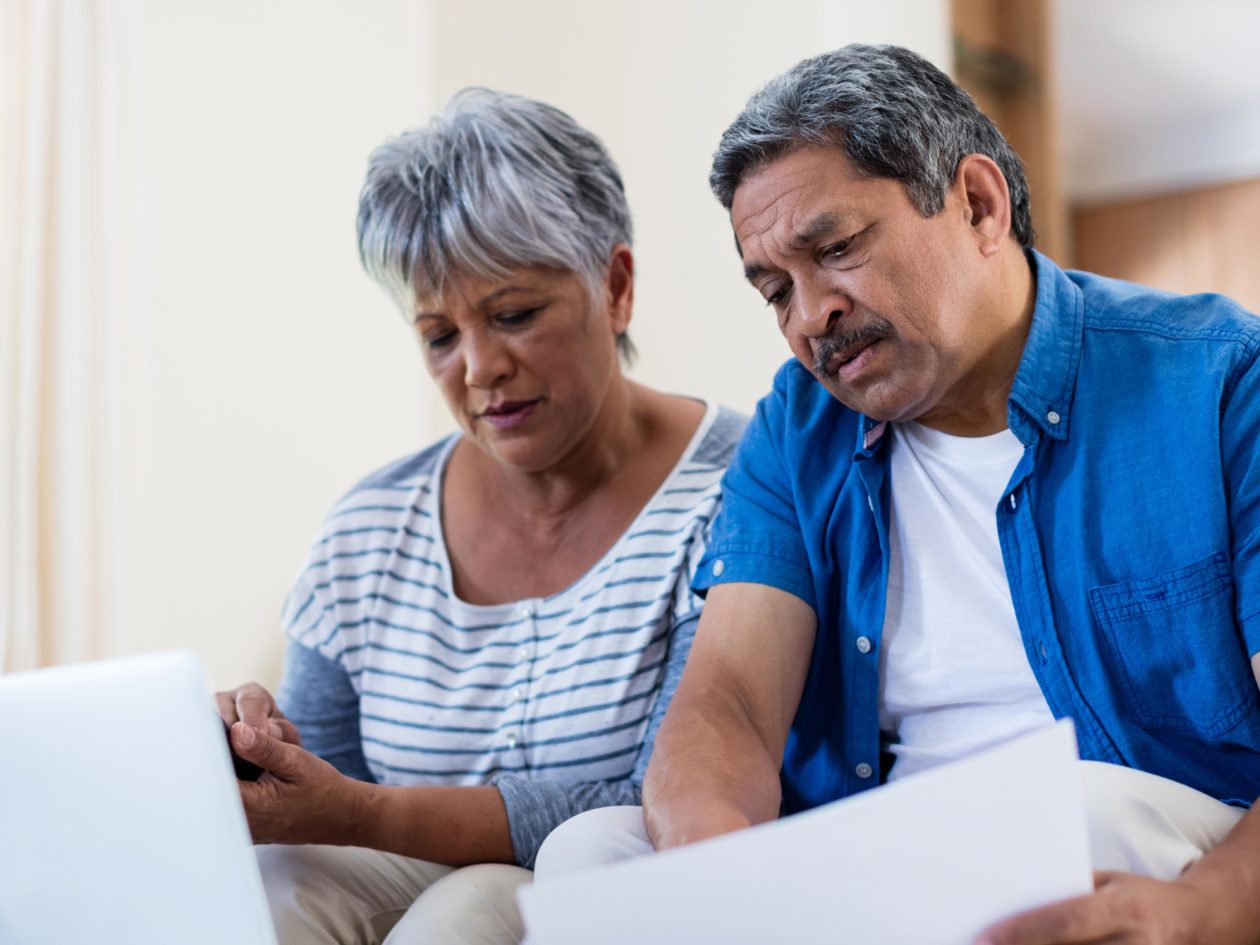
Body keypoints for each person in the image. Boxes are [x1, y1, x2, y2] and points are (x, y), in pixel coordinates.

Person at [536, 44, 1260, 943]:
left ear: (979, 204)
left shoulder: (1221, 383)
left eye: (835, 249)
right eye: (774, 290)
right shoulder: (799, 426)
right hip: (886, 844)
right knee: (589, 854)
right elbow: (725, 702)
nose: (809, 317)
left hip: (1142, 838)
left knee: (1078, 813)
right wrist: (716, 882)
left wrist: (1205, 909)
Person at [215, 88, 745, 945]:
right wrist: (261, 755)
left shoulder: (737, 490)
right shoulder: (369, 529)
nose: (480, 368)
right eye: (438, 335)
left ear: (615, 288)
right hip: (408, 871)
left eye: (514, 314)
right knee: (274, 883)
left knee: (474, 908)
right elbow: (326, 793)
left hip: (624, 886)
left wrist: (361, 810)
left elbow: (674, 791)